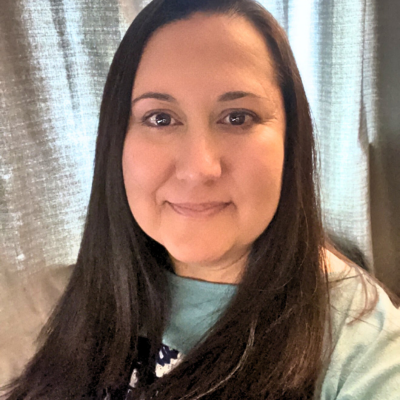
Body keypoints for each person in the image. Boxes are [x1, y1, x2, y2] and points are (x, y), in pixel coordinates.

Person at [2, 0, 400, 399]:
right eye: (160, 118)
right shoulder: (75, 292)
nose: (198, 168)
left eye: (237, 117)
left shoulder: (358, 339)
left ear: (290, 142)